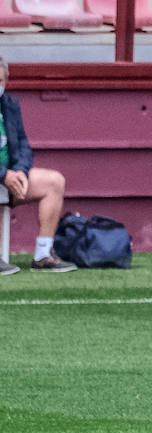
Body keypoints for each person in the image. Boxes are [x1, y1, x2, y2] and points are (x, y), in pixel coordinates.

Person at [0, 57, 75, 275]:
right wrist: (4, 175)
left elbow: (23, 144)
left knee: (54, 182)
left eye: (1, 80)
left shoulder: (10, 105)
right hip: (3, 176)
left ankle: (43, 255)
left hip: (10, 176)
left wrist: (21, 173)